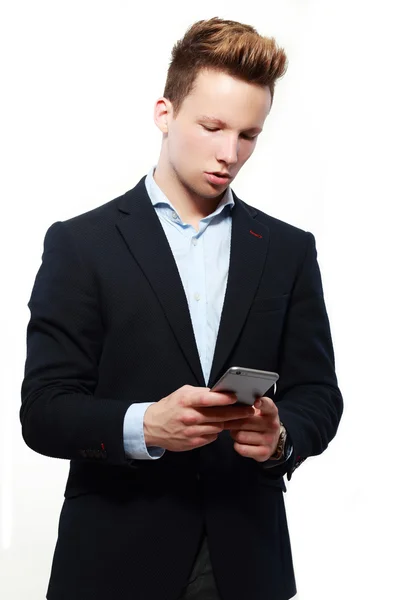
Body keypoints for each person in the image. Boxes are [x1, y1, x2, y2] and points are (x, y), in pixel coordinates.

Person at [20, 16, 343, 600]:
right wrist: (144, 425)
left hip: (246, 562)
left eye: (248, 135)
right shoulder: (80, 244)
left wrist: (281, 438)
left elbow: (320, 392)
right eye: (213, 127)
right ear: (164, 114)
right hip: (114, 563)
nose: (230, 153)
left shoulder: (288, 250)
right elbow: (43, 411)